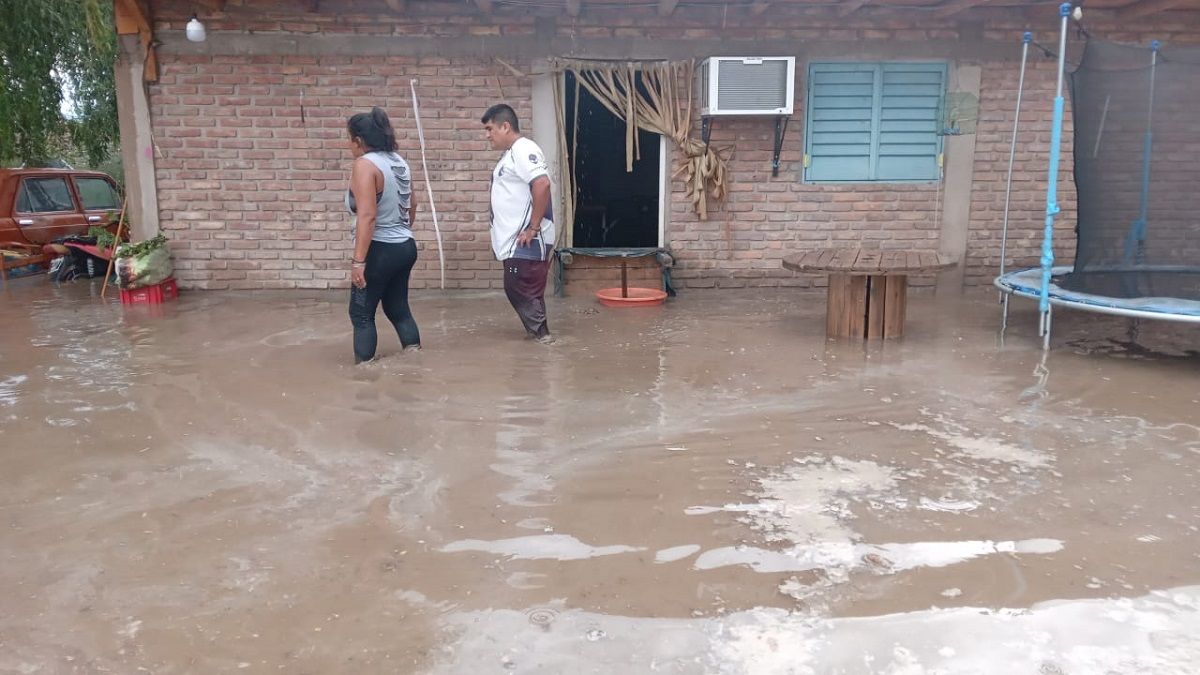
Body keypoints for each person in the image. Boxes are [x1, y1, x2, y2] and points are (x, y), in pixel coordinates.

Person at [345, 107, 421, 363]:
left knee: (361, 314)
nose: (349, 146)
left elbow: (367, 216)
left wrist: (359, 261)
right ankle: (414, 359)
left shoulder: (365, 165)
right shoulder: (399, 161)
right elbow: (413, 204)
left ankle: (364, 376)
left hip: (380, 250)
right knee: (398, 308)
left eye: (350, 139)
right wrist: (401, 231)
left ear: (358, 140)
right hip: (405, 246)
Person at [481, 104, 556, 344]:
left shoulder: (524, 149)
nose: (487, 135)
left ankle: (542, 341)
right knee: (520, 287)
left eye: (490, 129)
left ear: (506, 126)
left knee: (522, 287)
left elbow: (542, 184)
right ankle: (538, 337)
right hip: (518, 242)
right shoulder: (511, 154)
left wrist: (533, 227)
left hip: (528, 241)